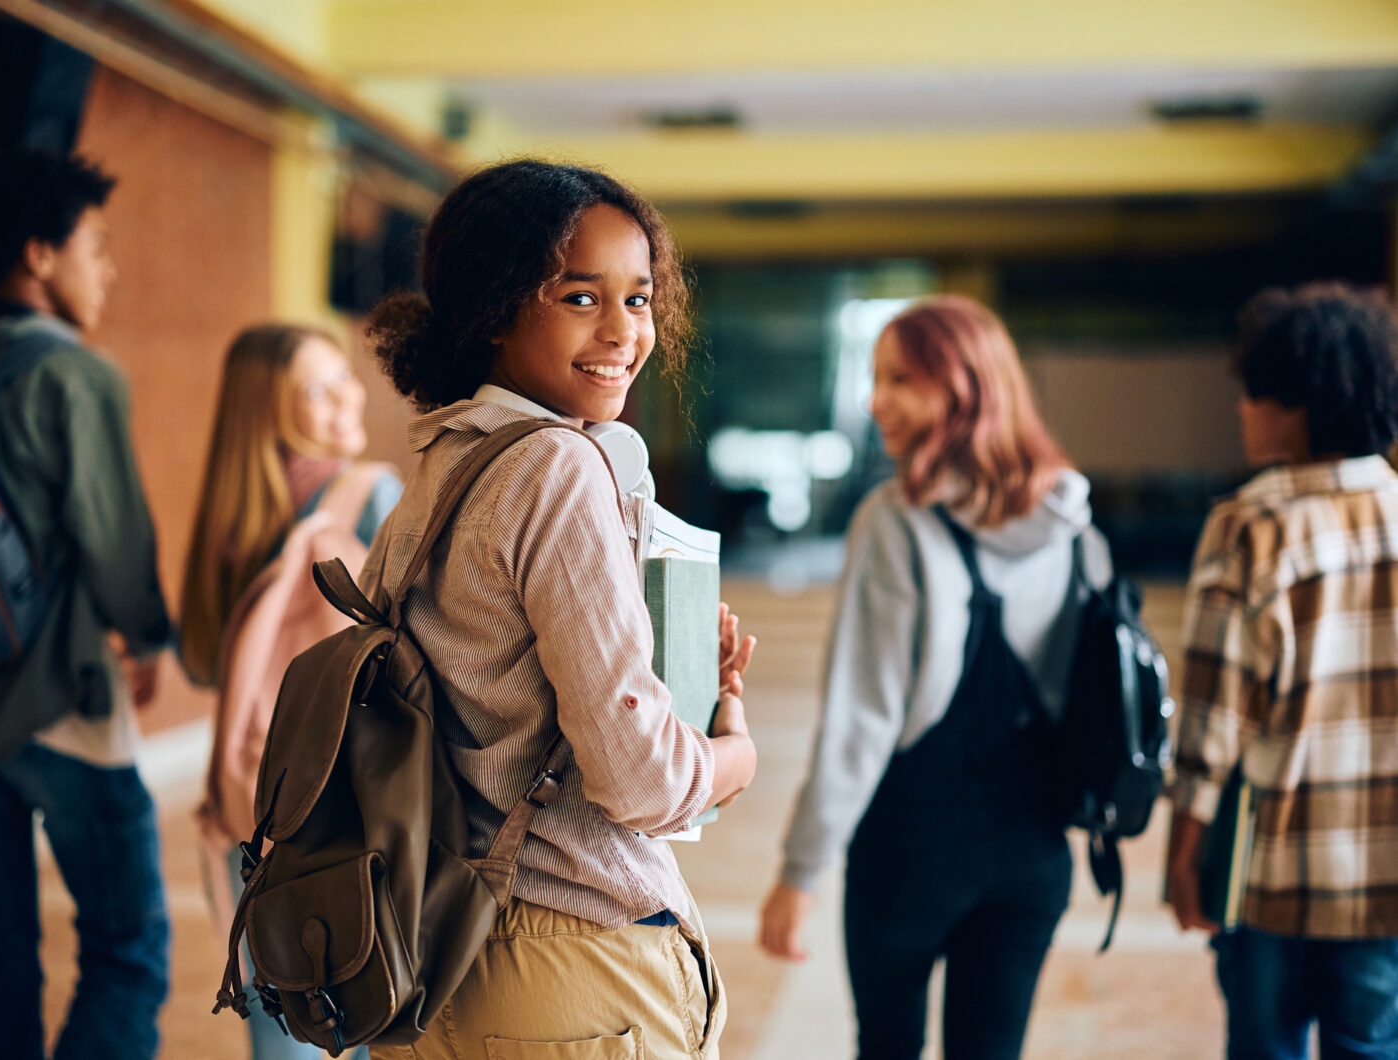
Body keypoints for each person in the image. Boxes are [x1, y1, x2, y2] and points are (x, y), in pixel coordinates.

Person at [358, 159, 757, 1059]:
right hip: (570, 967)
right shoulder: (558, 468)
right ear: (495, 308)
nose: (623, 331)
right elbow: (641, 782)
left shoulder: (442, 465)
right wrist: (732, 752)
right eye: (580, 297)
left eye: (640, 299)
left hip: (433, 951)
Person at [759, 295, 1111, 1059]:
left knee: (887, 1046)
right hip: (1036, 851)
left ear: (961, 388)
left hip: (912, 849)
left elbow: (862, 718)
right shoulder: (1075, 525)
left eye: (900, 380)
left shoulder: (896, 522)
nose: (874, 400)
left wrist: (799, 871)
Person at [1165, 283, 1398, 1060]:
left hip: (1273, 876)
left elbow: (1211, 719)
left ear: (1295, 403)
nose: (1242, 410)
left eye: (1253, 393)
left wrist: (1183, 853)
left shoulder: (1252, 526)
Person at [0, 149, 172, 1059]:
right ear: (37, 255)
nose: (109, 268)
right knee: (128, 953)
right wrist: (148, 639)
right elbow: (114, 539)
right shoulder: (73, 376)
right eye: (94, 245)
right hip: (60, 698)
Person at [180, 323, 401, 1060]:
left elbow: (205, 664)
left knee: (283, 1036)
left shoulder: (230, 525)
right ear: (265, 408)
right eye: (317, 386)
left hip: (249, 812)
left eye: (343, 376)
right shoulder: (369, 496)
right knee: (362, 1015)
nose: (347, 396)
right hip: (342, 815)